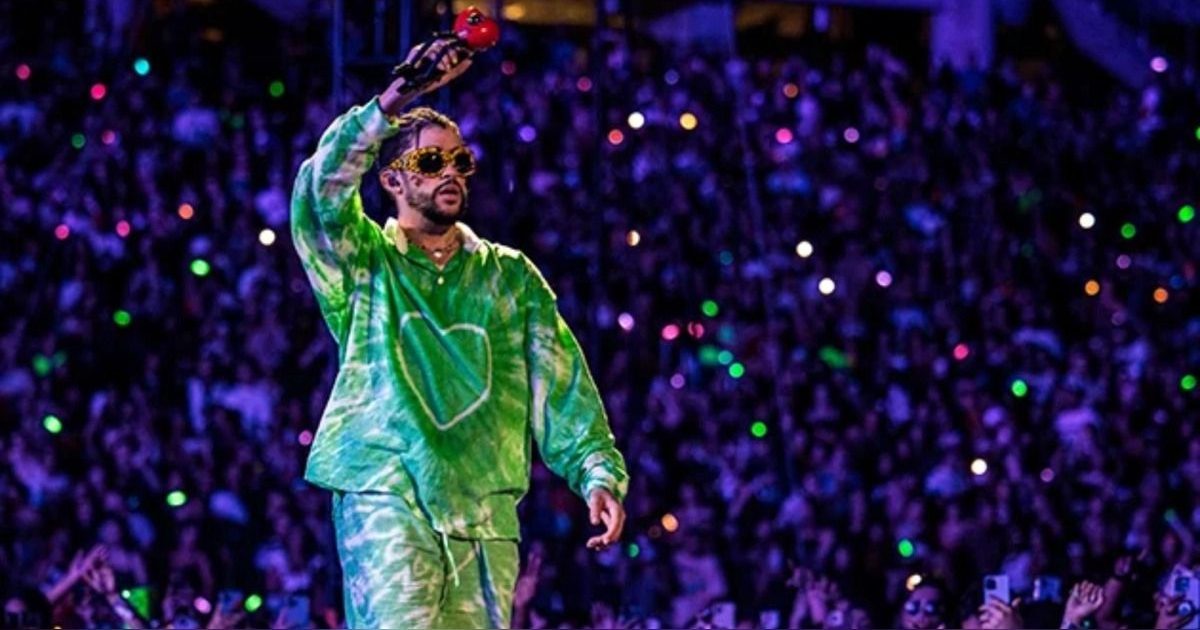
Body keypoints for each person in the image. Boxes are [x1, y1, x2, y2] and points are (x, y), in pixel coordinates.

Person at [290, 38, 629, 629]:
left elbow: (561, 382)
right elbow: (320, 194)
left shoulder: (509, 277)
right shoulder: (363, 263)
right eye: (430, 162)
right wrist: (397, 96)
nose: (450, 172)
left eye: (460, 161)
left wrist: (597, 471)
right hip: (386, 490)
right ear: (392, 181)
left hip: (484, 512)